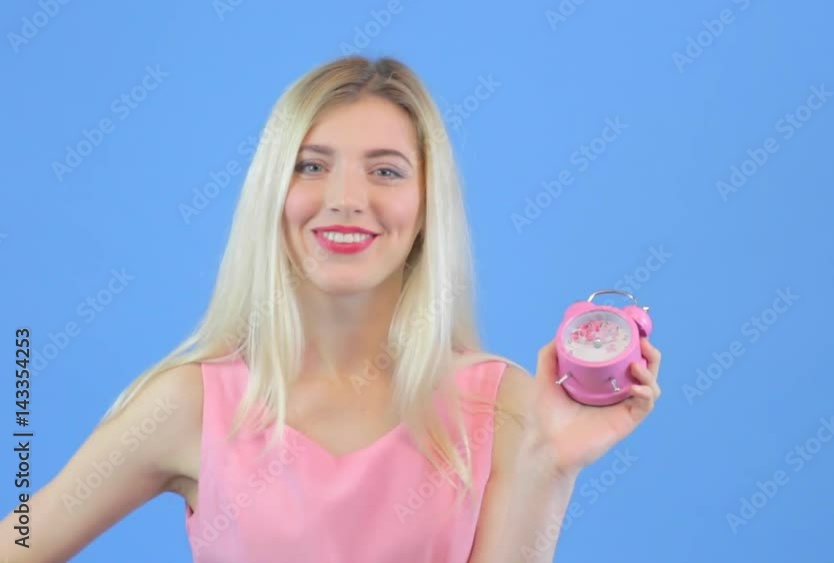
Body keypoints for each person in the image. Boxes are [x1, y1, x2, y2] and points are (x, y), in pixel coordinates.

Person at [1, 56, 662, 563]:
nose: (346, 198)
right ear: (272, 194)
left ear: (429, 203)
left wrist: (553, 463)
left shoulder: (506, 404)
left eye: (386, 170)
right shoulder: (191, 404)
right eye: (312, 166)